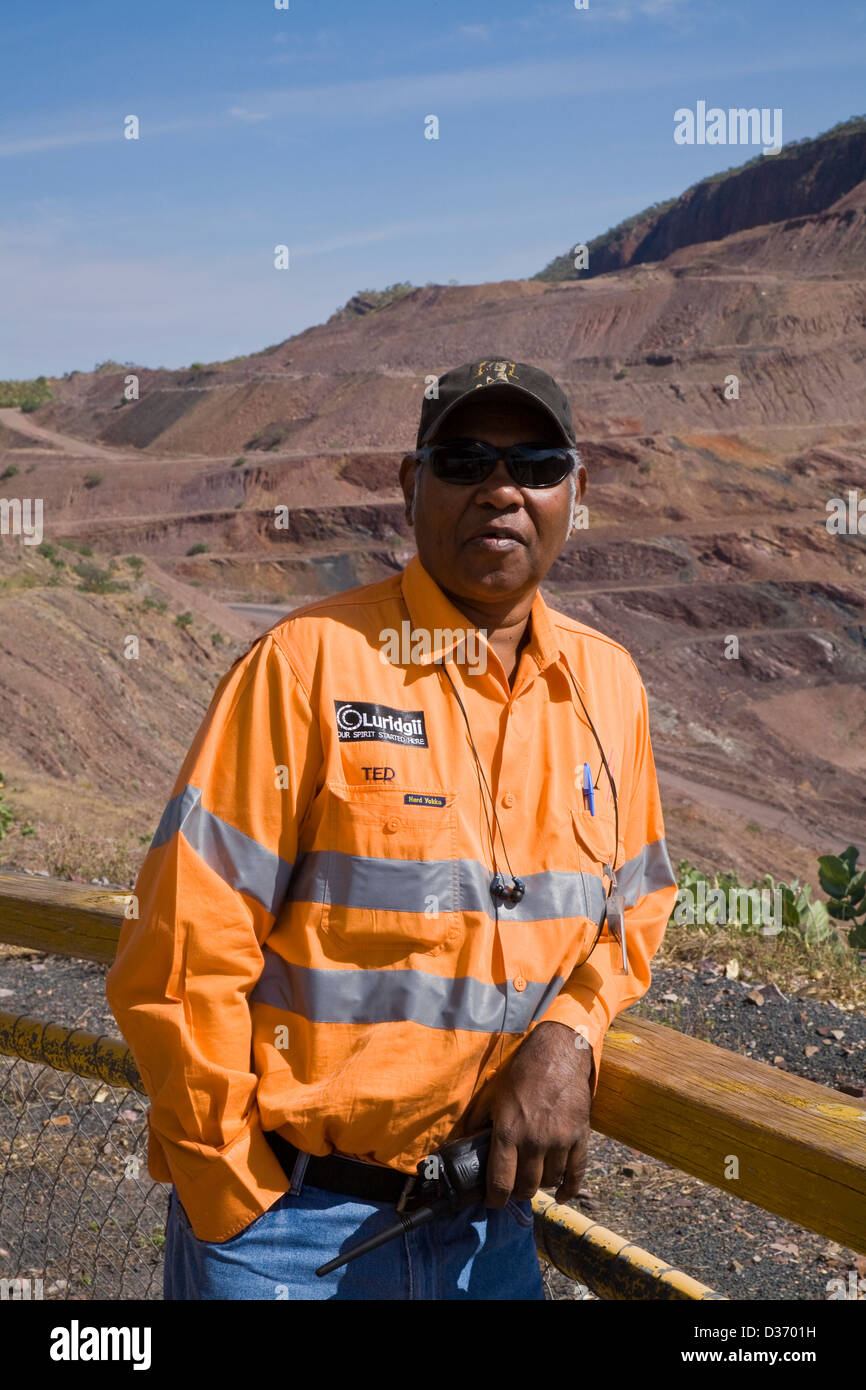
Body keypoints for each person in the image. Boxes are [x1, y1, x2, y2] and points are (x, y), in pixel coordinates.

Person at [106, 357, 677, 1300]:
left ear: (576, 492)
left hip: (487, 1231)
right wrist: (229, 1191)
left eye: (535, 464)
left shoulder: (608, 687)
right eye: (464, 461)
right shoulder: (306, 668)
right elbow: (181, 947)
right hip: (288, 1230)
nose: (501, 489)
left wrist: (571, 1033)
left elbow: (636, 907)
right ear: (411, 485)